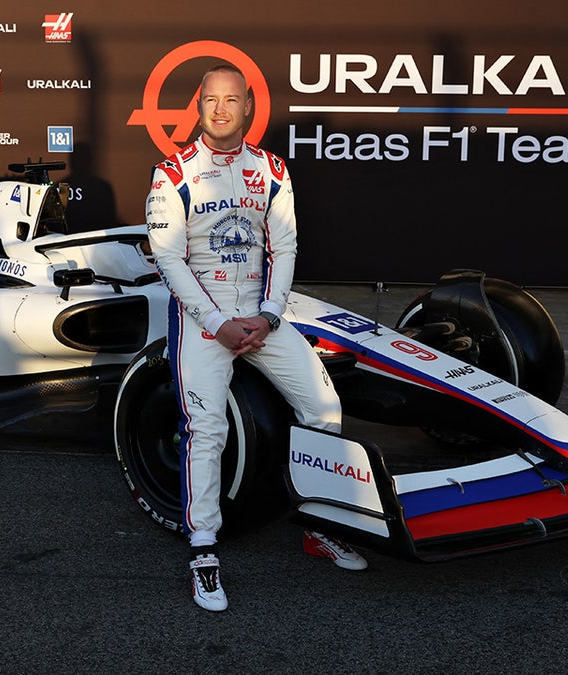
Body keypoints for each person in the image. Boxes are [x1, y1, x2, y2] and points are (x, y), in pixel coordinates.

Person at [145, 64, 367, 612]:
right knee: (207, 426)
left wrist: (267, 316)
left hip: (261, 314)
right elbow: (167, 257)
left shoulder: (270, 168)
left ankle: (319, 526)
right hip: (203, 319)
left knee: (324, 407)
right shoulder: (171, 172)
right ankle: (202, 551)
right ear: (198, 107)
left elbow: (284, 248)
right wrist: (217, 321)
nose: (221, 109)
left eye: (232, 100)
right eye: (210, 100)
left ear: (247, 107)